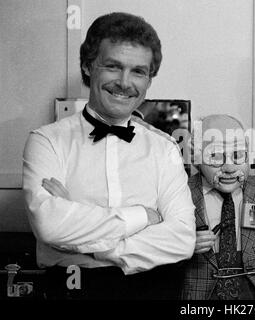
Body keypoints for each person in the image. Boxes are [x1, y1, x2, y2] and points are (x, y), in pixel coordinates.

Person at [22, 12, 196, 299]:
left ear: (149, 80)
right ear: (88, 66)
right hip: (72, 288)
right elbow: (50, 226)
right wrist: (143, 216)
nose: (125, 82)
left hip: (152, 290)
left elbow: (181, 239)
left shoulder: (164, 148)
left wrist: (90, 244)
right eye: (113, 66)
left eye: (138, 71)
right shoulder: (46, 141)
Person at [181, 114, 255, 300]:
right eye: (215, 156)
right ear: (195, 157)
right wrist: (182, 244)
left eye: (238, 155)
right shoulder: (180, 195)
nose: (229, 167)